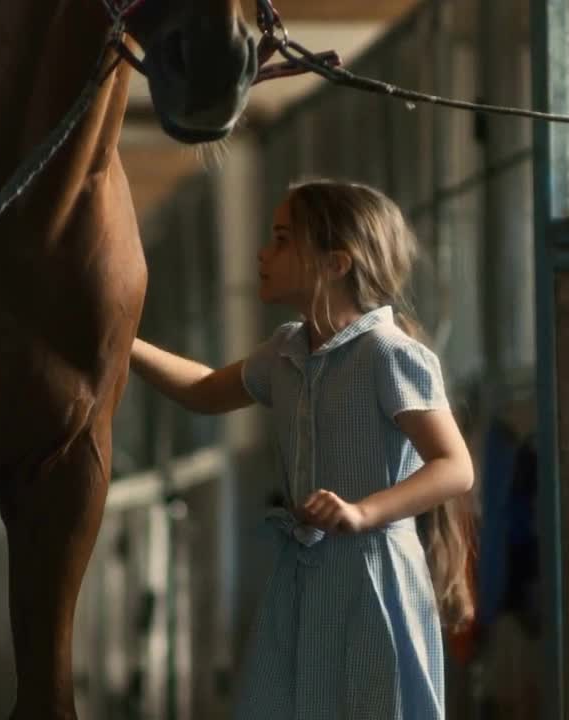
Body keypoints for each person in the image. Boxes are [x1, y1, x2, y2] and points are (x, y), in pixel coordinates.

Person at [129, 178, 476, 720]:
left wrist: (364, 512)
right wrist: (119, 340)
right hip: (303, 574)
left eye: (283, 239)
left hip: (373, 578)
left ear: (336, 263)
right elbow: (202, 390)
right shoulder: (285, 352)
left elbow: (455, 467)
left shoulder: (388, 354)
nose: (264, 253)